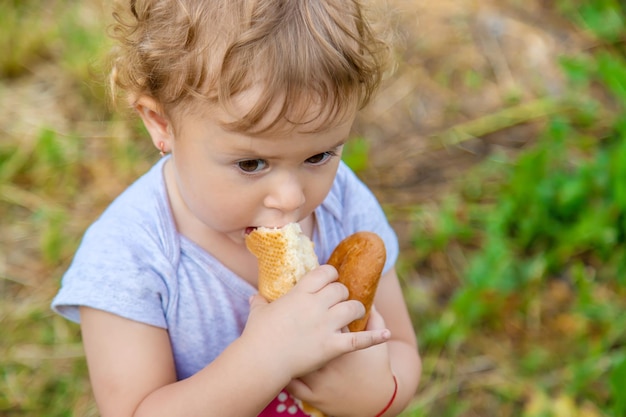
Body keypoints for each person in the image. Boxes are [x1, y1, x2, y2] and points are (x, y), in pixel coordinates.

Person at [51, 0, 421, 416]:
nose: (291, 198)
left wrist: (378, 396)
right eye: (251, 163)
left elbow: (403, 349)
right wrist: (265, 357)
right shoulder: (129, 256)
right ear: (161, 123)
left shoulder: (343, 203)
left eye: (318, 156)